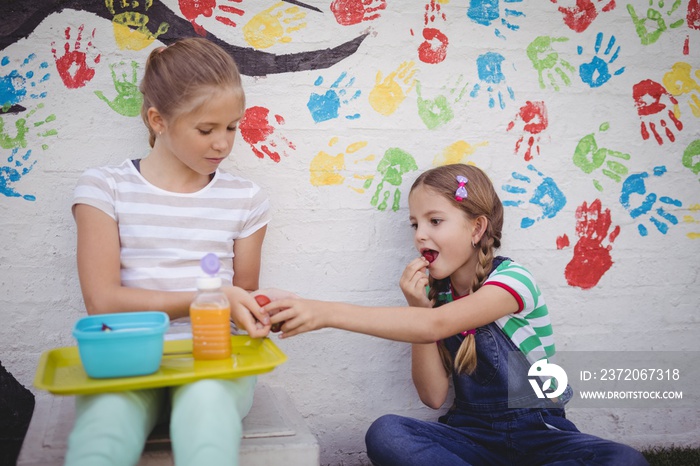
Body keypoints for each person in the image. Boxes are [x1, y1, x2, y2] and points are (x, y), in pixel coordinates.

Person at [264, 164, 648, 465]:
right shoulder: (436, 299)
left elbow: (439, 324)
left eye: (434, 221)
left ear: (477, 227)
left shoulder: (513, 281)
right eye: (415, 224)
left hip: (540, 434)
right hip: (472, 439)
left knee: (622, 459)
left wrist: (325, 312)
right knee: (387, 433)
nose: (419, 235)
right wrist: (419, 307)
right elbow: (433, 396)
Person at [68, 37, 272, 466]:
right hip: (126, 358)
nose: (223, 144)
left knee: (206, 418)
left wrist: (259, 312)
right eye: (206, 129)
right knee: (103, 430)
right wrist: (206, 301)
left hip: (214, 362)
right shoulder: (104, 189)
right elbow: (102, 303)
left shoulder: (246, 198)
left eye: (232, 127)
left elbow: (244, 299)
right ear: (158, 120)